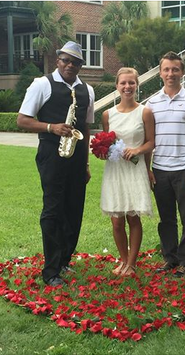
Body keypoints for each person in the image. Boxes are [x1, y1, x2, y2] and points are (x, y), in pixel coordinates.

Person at [17, 41, 95, 287]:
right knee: (53, 210)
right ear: (57, 60)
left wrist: (85, 164)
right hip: (52, 154)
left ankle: (64, 260)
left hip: (76, 156)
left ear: (81, 65)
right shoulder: (42, 84)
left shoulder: (88, 90)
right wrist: (51, 127)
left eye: (76, 62)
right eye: (66, 60)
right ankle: (50, 271)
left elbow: (86, 127)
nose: (70, 65)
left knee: (74, 210)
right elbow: (22, 120)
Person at [146, 51, 185, 278]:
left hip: (184, 169)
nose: (171, 73)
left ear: (182, 72)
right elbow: (149, 140)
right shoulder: (151, 103)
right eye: (167, 69)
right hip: (160, 170)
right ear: (160, 73)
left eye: (175, 69)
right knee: (166, 219)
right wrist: (148, 169)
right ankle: (170, 259)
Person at [100, 67, 155, 277]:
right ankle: (123, 260)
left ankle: (132, 264)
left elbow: (151, 142)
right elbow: (106, 143)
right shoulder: (107, 115)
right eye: (123, 83)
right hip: (115, 171)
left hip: (135, 170)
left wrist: (137, 150)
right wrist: (102, 152)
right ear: (117, 86)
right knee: (116, 219)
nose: (127, 87)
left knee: (133, 217)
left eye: (131, 83)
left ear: (137, 85)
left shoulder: (145, 112)